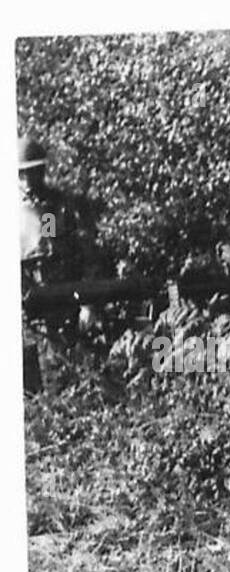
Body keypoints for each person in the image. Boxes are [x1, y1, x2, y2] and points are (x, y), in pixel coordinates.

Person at [19, 134, 105, 393]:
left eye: (35, 172)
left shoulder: (55, 207)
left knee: (74, 374)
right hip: (30, 309)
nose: (29, 180)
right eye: (24, 174)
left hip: (65, 302)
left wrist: (88, 303)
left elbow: (74, 252)